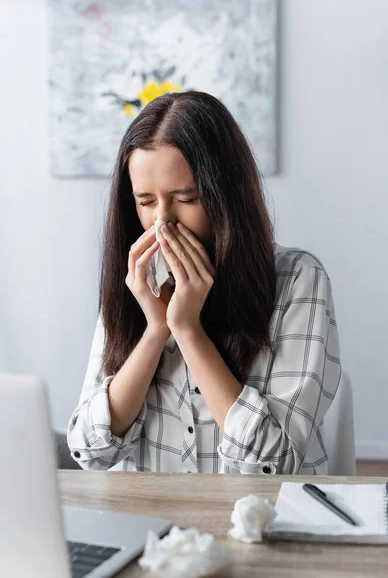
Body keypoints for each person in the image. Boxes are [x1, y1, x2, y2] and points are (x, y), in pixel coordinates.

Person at [67, 91, 341, 475]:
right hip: (152, 529)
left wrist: (188, 330)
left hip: (260, 524)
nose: (163, 221)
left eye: (186, 198)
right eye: (145, 201)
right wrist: (156, 329)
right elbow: (89, 452)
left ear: (226, 195)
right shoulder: (139, 283)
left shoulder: (298, 279)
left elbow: (273, 463)